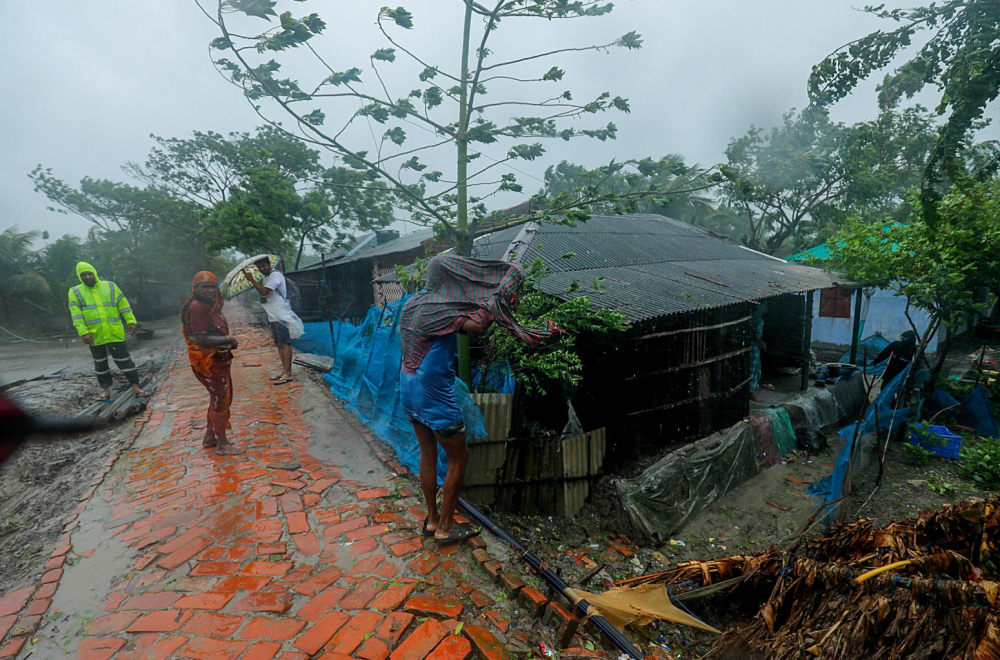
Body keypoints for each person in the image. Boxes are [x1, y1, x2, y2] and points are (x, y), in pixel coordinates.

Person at [399, 255, 563, 544]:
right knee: (458, 458)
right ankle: (446, 527)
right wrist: (497, 299)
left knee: (428, 453)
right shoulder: (440, 307)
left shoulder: (413, 303)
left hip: (407, 385)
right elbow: (477, 327)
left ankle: (432, 519)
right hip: (432, 390)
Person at [181, 271, 244, 455]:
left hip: (217, 359)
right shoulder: (197, 307)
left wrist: (226, 344)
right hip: (207, 361)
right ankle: (222, 444)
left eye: (212, 287)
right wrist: (229, 339)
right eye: (205, 287)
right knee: (220, 400)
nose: (210, 291)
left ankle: (210, 438)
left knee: (220, 397)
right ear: (196, 289)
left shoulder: (212, 306)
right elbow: (201, 339)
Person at [68, 262, 147, 401]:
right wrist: (83, 332)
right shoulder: (75, 291)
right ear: (80, 277)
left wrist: (131, 321)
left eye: (89, 273)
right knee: (100, 364)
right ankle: (106, 391)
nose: (87, 277)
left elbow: (123, 305)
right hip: (94, 335)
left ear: (94, 273)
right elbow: (76, 315)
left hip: (114, 332)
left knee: (125, 360)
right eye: (83, 275)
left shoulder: (110, 286)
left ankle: (135, 387)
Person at [244, 257, 294, 384]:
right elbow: (265, 295)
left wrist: (252, 280)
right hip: (272, 314)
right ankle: (284, 370)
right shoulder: (267, 278)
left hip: (280, 313)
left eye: (264, 266)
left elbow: (263, 290)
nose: (262, 269)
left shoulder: (275, 276)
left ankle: (288, 373)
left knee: (285, 343)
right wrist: (263, 299)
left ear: (269, 264)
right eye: (259, 267)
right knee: (278, 343)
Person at [749, 302, 767, 402]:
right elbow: (757, 337)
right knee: (753, 370)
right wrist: (763, 344)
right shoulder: (759, 321)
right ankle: (751, 391)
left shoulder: (750, 318)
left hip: (747, 345)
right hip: (754, 347)